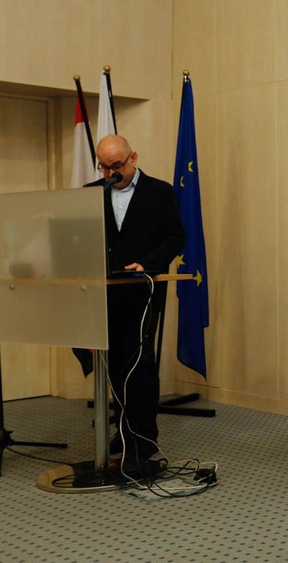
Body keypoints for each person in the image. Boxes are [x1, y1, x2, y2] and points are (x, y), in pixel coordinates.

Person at [87, 135, 185, 468]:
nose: (110, 173)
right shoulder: (91, 193)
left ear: (133, 158)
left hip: (142, 289)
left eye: (116, 165)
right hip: (103, 291)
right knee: (113, 362)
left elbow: (175, 237)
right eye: (104, 167)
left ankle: (143, 436)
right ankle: (123, 427)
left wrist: (148, 264)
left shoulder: (159, 192)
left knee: (139, 364)